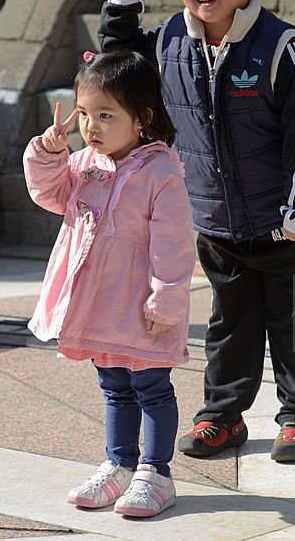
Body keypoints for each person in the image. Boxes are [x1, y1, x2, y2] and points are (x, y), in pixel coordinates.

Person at [99, 0, 295, 463]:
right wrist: (123, 0)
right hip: (213, 220)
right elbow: (118, 66)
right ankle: (223, 417)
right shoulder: (172, 42)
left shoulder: (280, 47)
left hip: (284, 224)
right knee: (228, 324)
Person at [23, 50, 195, 517]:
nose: (90, 126)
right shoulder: (83, 164)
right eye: (83, 113)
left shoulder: (161, 172)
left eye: (105, 115)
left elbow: (174, 244)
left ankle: (156, 473)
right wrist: (48, 154)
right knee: (115, 387)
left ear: (142, 118)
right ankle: (119, 464)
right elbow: (50, 194)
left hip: (142, 307)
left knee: (152, 387)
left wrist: (167, 300)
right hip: (100, 305)